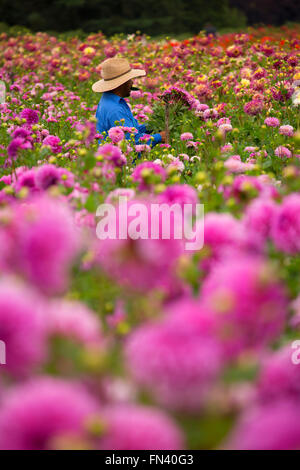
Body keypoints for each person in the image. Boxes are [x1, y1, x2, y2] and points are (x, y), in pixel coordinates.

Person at [92, 57, 166, 148]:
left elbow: (131, 131)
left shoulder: (110, 100)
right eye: (129, 80)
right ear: (121, 84)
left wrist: (151, 126)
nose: (132, 83)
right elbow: (132, 142)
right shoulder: (115, 109)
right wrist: (159, 137)